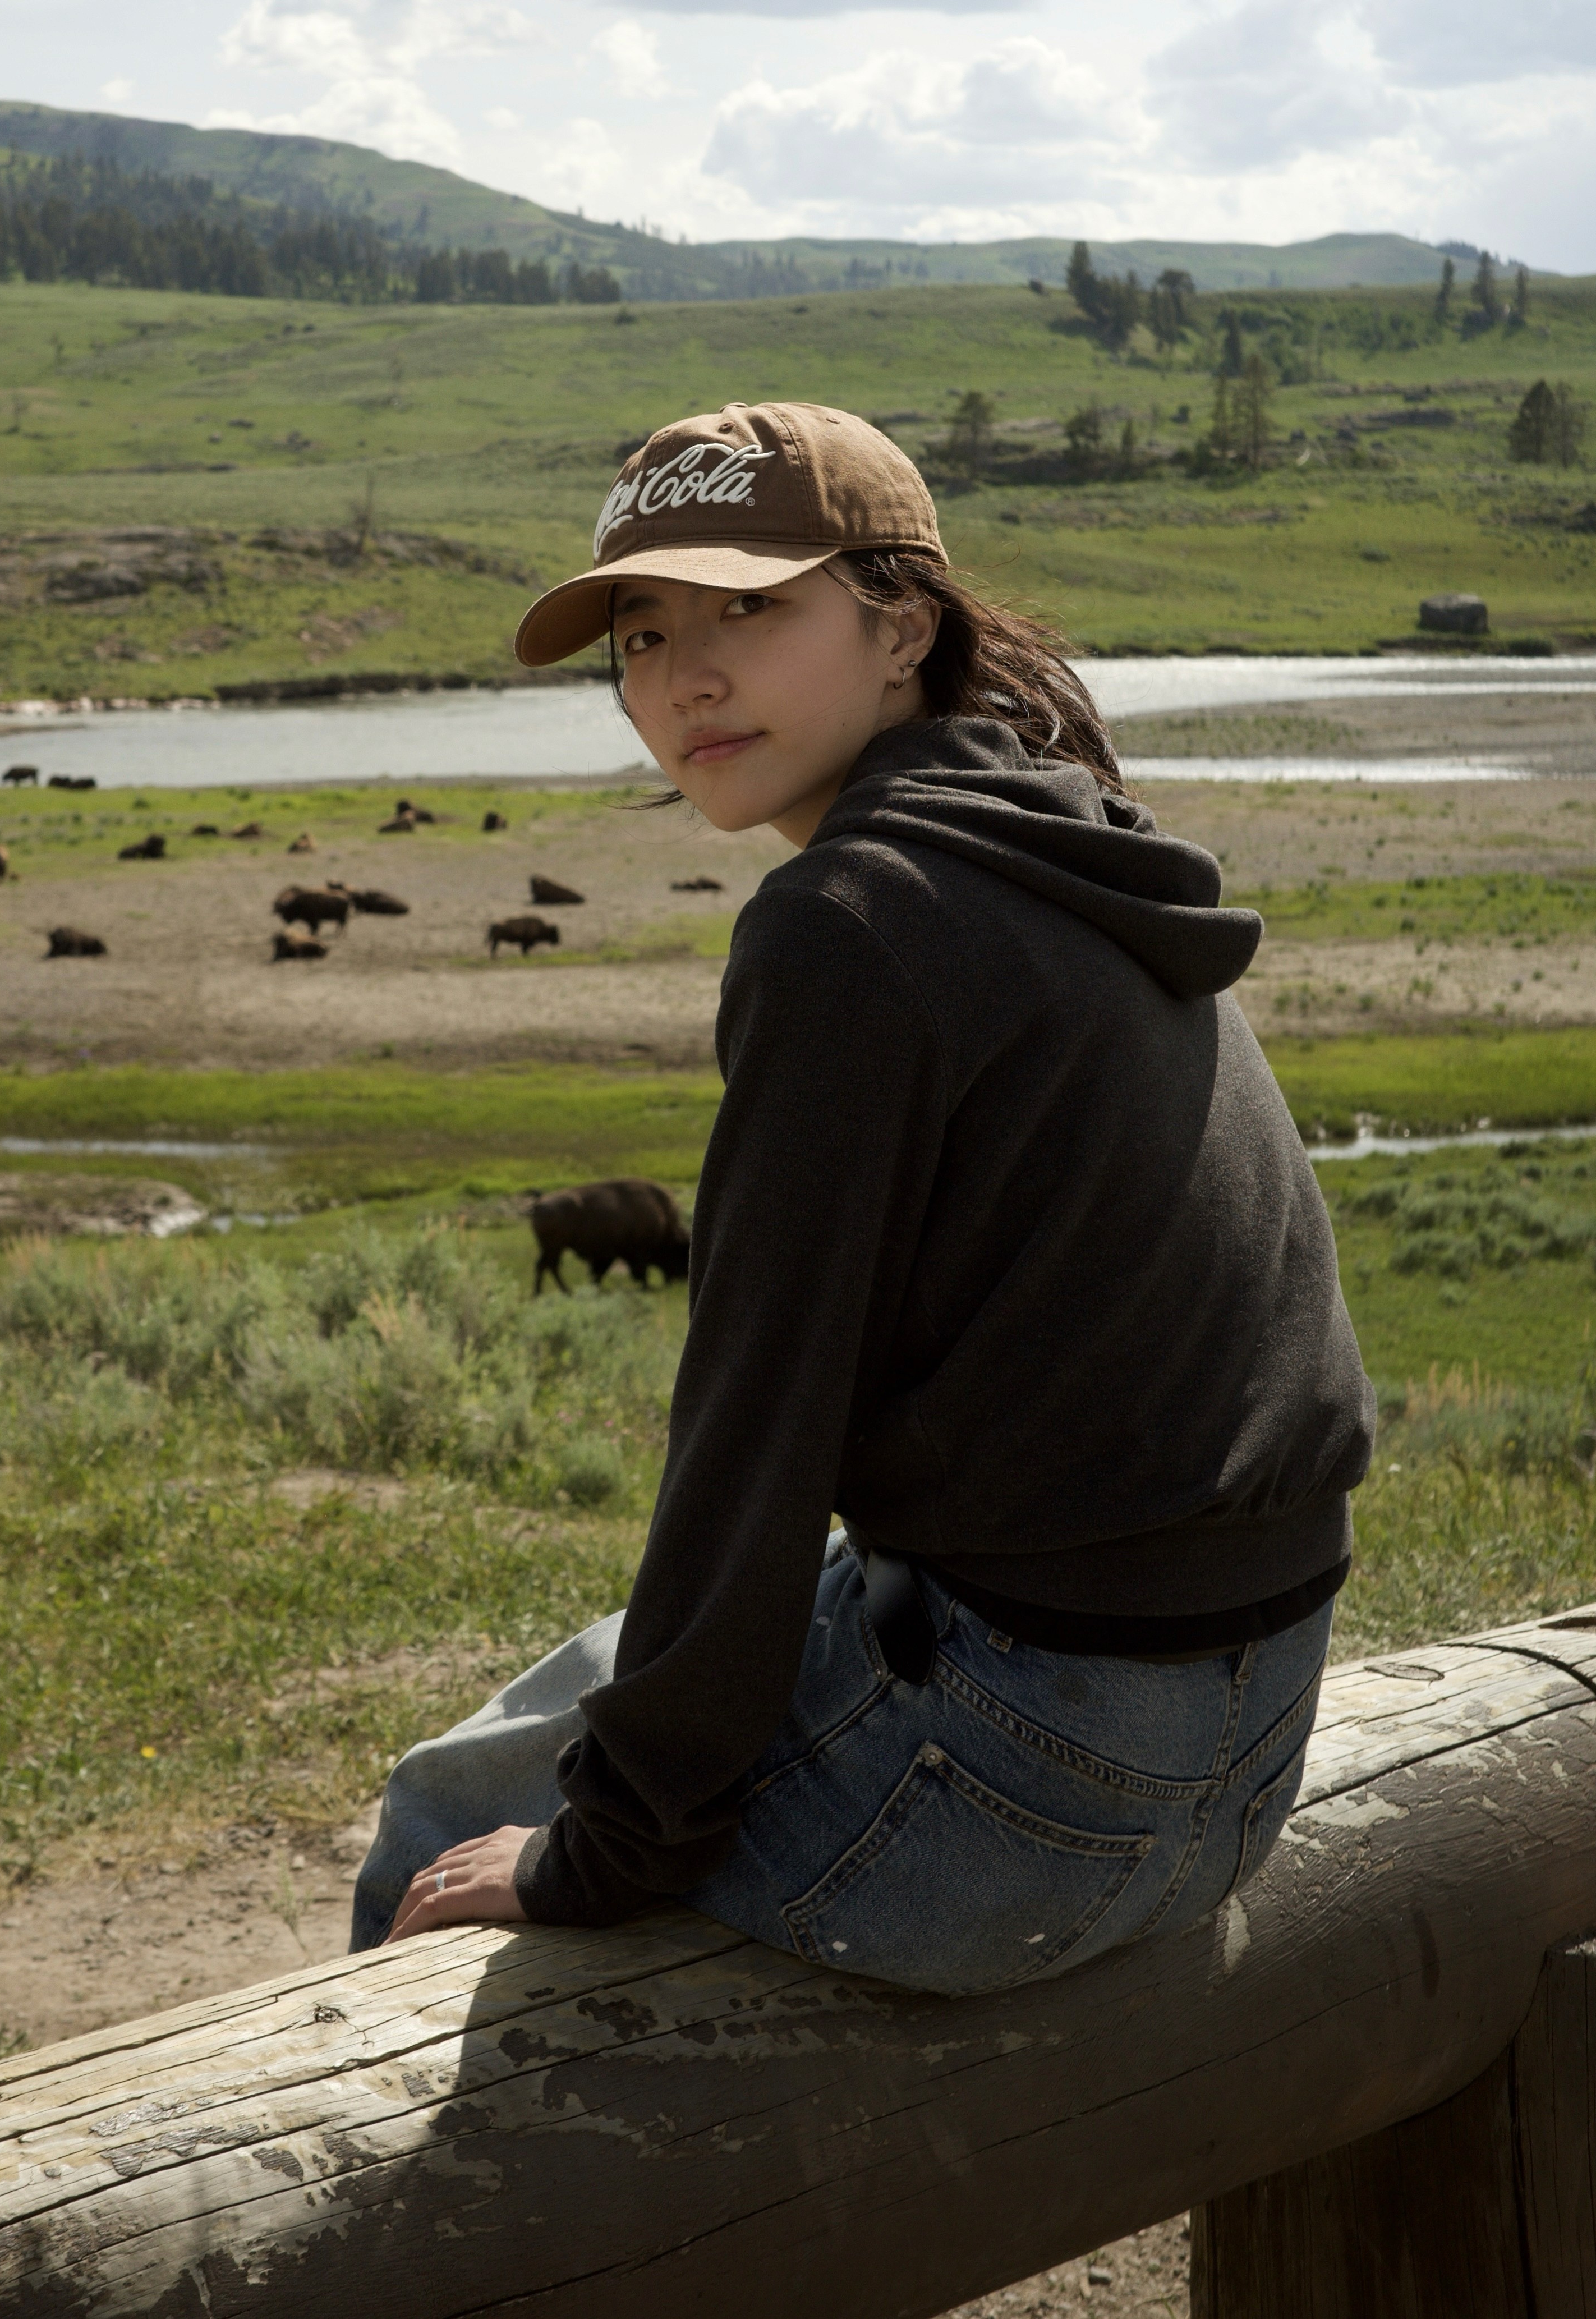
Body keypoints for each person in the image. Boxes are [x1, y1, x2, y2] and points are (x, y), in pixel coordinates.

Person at [349, 400, 1374, 1994]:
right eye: (642, 634)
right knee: (577, 1700)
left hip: (1039, 1773)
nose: (684, 679)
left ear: (902, 626)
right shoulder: (1055, 842)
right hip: (1248, 1744)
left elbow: (757, 1428)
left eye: (749, 610)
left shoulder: (848, 920)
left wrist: (603, 1850)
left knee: (439, 1815)